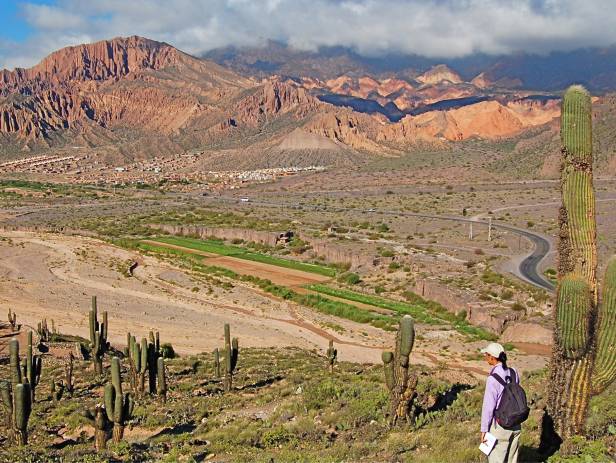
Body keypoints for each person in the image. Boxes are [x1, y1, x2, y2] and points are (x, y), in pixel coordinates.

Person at [480, 342, 521, 463]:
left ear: (492, 357)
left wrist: (484, 430)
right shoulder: (514, 372)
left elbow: (488, 407)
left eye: (486, 355)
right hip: (516, 423)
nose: (485, 357)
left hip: (500, 426)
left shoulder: (493, 379)